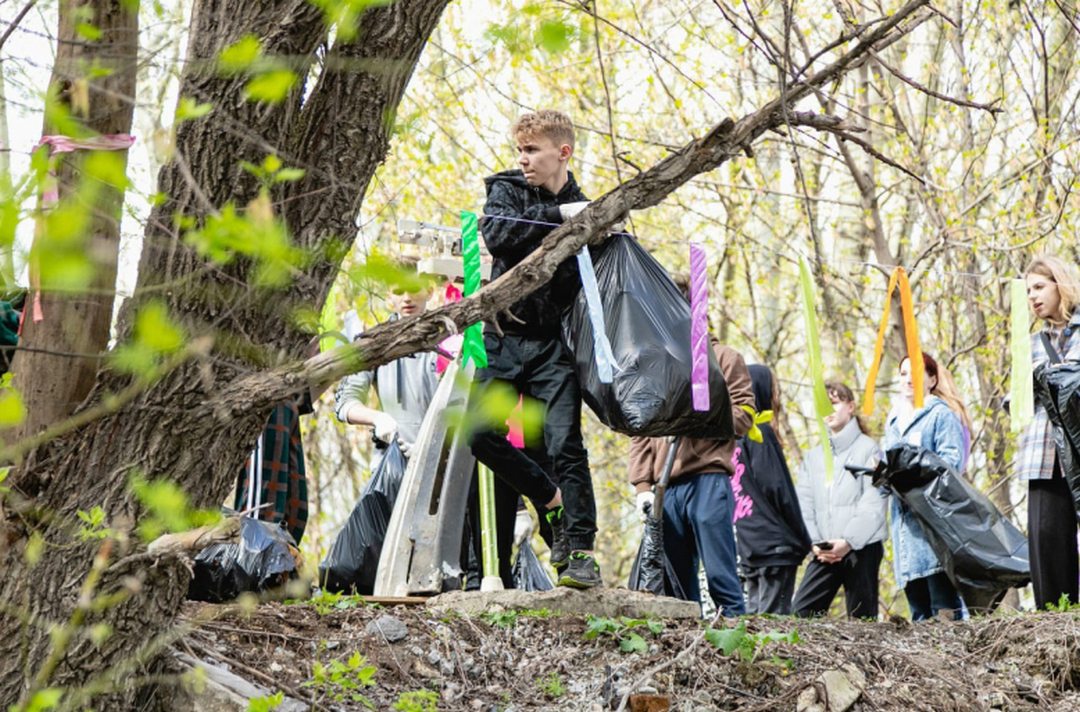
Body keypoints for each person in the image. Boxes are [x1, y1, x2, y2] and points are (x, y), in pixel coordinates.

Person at [469, 109, 604, 588]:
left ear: (562, 153)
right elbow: (499, 234)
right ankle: (551, 500)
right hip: (502, 341)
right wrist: (555, 218)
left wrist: (585, 222)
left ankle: (580, 553)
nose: (522, 160)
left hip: (553, 346)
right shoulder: (506, 188)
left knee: (565, 444)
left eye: (532, 151)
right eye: (519, 150)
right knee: (479, 435)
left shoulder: (584, 205)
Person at [629, 273, 755, 616]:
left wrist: (704, 407)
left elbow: (744, 416)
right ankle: (689, 650)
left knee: (720, 576)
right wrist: (642, 485)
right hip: (664, 490)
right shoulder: (657, 365)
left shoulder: (726, 359)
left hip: (707, 480)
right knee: (676, 588)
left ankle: (736, 640)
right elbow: (640, 428)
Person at [792, 381, 886, 619]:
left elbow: (874, 503)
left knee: (862, 622)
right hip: (825, 551)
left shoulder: (870, 449)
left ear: (851, 406)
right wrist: (815, 543)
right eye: (824, 405)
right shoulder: (813, 457)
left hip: (861, 548)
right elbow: (803, 505)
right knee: (800, 614)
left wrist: (849, 541)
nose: (829, 410)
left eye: (834, 402)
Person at [334, 257, 439, 469]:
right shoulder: (374, 342)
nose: (407, 298)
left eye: (413, 289)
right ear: (389, 296)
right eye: (399, 292)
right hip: (393, 465)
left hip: (445, 463)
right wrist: (378, 418)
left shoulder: (450, 337)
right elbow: (345, 403)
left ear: (429, 291)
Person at [885, 352, 967, 621]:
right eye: (903, 373)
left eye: (917, 372)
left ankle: (955, 662)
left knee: (945, 611)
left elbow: (951, 465)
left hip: (935, 528)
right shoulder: (893, 420)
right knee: (918, 614)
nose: (909, 379)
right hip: (904, 531)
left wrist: (913, 471)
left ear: (932, 379)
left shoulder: (941, 415)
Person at [1019, 255, 1080, 609]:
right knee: (1045, 541)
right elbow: (1015, 401)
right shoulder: (1028, 344)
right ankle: (1054, 626)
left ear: (1062, 285)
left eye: (1039, 286)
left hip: (1078, 454)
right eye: (1028, 291)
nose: (1033, 296)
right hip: (1042, 456)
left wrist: (1053, 381)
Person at [732, 365, 811, 615]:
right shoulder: (760, 432)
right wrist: (802, 538)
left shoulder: (732, 436)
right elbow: (777, 487)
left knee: (755, 621)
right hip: (775, 544)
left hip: (750, 543)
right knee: (773, 625)